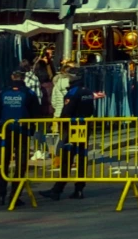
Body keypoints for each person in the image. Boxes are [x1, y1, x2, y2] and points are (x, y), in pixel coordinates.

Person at [41, 68, 96, 201]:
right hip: (84, 127)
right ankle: (79, 189)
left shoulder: (73, 92)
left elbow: (67, 112)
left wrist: (61, 125)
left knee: (67, 157)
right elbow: (91, 110)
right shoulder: (88, 91)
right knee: (82, 157)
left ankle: (58, 189)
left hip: (72, 128)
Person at [0, 70, 41, 205]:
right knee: (20, 165)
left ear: (11, 77)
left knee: (3, 164)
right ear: (23, 78)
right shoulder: (29, 93)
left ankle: (0, 195)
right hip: (23, 132)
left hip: (5, 132)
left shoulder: (2, 93)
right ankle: (15, 196)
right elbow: (36, 113)